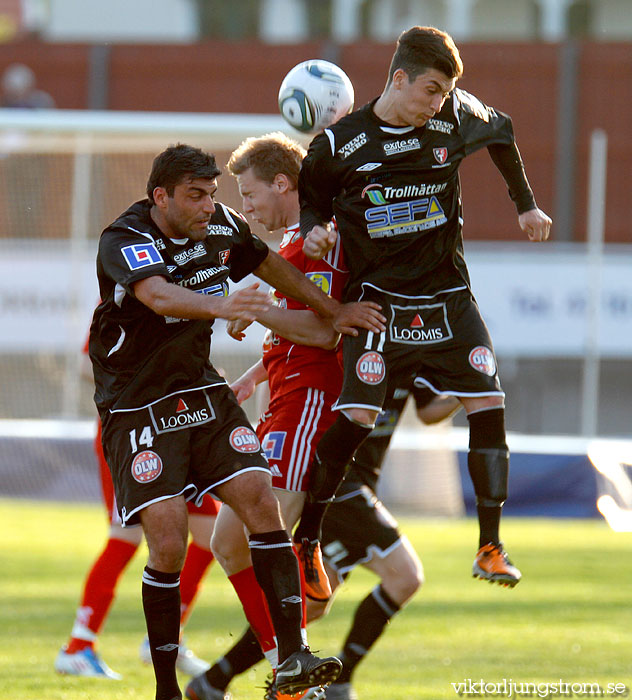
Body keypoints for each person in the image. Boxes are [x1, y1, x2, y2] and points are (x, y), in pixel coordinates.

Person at [88, 143, 384, 700]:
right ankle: (165, 689)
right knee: (170, 543)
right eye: (195, 196)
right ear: (161, 197)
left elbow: (268, 264)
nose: (209, 206)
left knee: (257, 496)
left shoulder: (218, 224)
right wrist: (224, 305)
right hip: (136, 405)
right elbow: (156, 295)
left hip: (200, 387)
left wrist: (334, 310)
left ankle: (292, 657)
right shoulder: (123, 238)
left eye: (213, 194)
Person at [293, 25, 552, 590]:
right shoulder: (340, 145)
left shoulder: (454, 115)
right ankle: (306, 539)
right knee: (358, 419)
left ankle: (490, 546)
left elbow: (502, 133)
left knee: (488, 399)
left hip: (448, 299)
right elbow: (311, 203)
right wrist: (314, 231)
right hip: (378, 305)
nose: (437, 103)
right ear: (399, 78)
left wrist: (526, 206)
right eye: (430, 90)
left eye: (444, 93)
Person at [184, 132, 379, 700]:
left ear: (282, 183)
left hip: (310, 404)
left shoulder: (315, 247)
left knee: (267, 533)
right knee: (228, 543)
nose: (246, 210)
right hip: (282, 403)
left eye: (249, 196)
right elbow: (294, 333)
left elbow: (323, 330)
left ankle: (296, 671)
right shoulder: (294, 246)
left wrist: (261, 309)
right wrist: (254, 374)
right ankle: (286, 662)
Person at [200, 382, 461, 700]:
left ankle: (218, 678)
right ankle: (333, 681)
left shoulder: (414, 351)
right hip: (338, 482)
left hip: (357, 482)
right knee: (406, 576)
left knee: (312, 604)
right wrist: (257, 381)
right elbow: (292, 359)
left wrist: (467, 389)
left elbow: (428, 411)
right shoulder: (356, 342)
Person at [54, 417, 218, 680]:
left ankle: (167, 640)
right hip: (130, 428)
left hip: (176, 430)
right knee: (125, 536)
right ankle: (78, 646)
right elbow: (90, 373)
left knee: (211, 535)